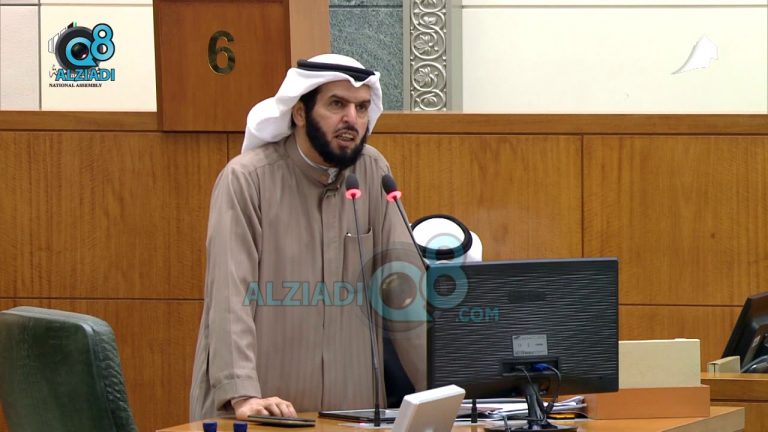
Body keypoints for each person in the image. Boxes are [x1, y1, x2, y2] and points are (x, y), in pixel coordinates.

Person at [189, 54, 426, 422]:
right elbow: (230, 294)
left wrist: (451, 387)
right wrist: (243, 394)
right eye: (337, 104)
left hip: (352, 409)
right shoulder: (249, 179)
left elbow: (403, 290)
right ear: (299, 113)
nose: (352, 119)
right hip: (262, 409)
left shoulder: (372, 171)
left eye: (362, 108)